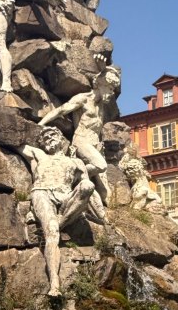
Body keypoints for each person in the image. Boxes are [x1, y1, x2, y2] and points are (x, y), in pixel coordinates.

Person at [20, 126, 103, 297]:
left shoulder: (76, 162)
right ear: (41, 144)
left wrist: (101, 215)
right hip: (42, 192)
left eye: (52, 134)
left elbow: (90, 189)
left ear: (60, 138)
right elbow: (17, 144)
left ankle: (60, 222)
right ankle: (55, 284)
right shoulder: (39, 155)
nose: (48, 138)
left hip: (66, 196)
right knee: (52, 234)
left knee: (87, 185)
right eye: (44, 137)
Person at [38, 65, 121, 208]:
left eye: (113, 89)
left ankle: (80, 178)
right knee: (100, 165)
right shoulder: (83, 99)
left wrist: (104, 68)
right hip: (82, 140)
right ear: (101, 84)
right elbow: (61, 110)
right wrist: (41, 123)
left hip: (95, 144)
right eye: (110, 88)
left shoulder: (101, 105)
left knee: (105, 195)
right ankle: (73, 174)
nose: (112, 93)